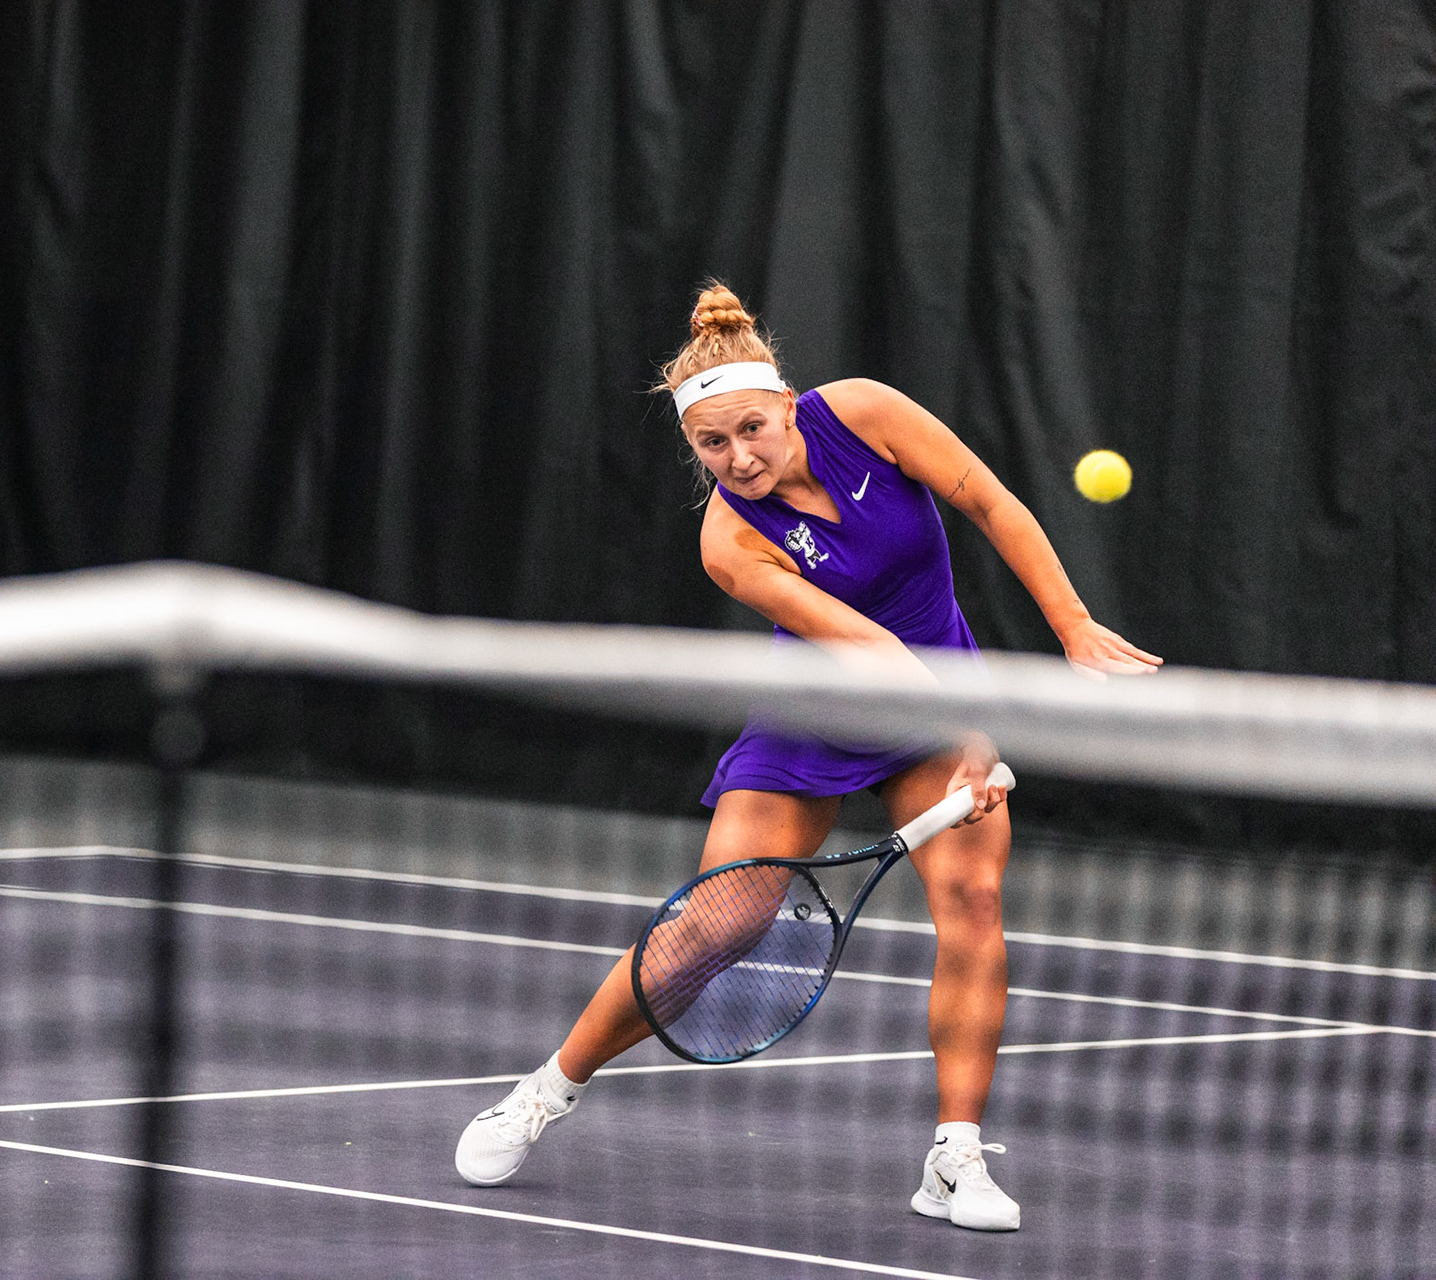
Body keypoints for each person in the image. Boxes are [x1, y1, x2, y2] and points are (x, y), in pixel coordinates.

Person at [453, 283, 1161, 1231]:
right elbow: (863, 644)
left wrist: (1071, 626)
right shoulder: (729, 540)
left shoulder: (864, 413)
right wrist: (974, 731)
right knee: (719, 926)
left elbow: (990, 503)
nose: (739, 458)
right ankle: (547, 1088)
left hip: (938, 692)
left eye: (752, 429)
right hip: (820, 711)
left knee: (974, 902)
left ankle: (954, 1157)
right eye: (713, 445)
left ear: (788, 406)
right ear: (693, 448)